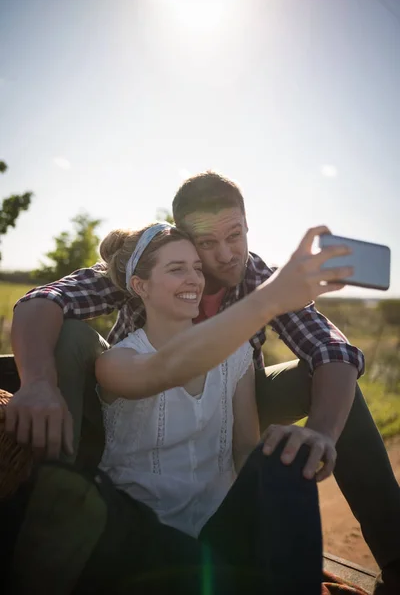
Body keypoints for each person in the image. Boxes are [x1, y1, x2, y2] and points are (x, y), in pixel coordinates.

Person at [7, 172, 400, 594]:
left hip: (234, 397)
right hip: (136, 401)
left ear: (247, 226)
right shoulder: (149, 264)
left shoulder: (257, 277)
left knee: (329, 385)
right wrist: (38, 383)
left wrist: (321, 434)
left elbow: (332, 348)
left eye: (236, 235)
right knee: (69, 336)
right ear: (184, 238)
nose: (227, 254)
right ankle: (63, 497)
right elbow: (41, 301)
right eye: (206, 244)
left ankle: (395, 558)